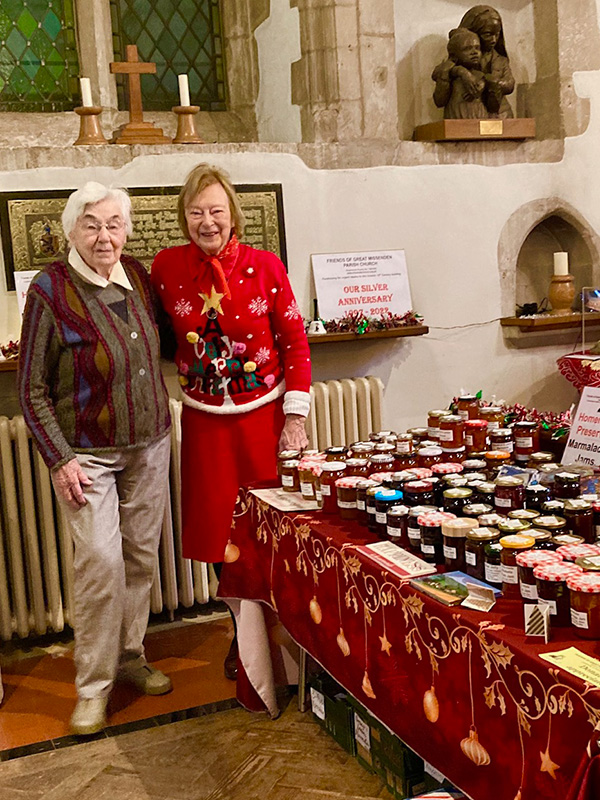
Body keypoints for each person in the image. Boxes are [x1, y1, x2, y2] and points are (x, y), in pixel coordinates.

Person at [18, 182, 173, 736]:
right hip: (86, 456)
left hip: (150, 443)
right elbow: (32, 389)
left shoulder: (136, 275)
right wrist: (59, 460)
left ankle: (130, 655)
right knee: (101, 565)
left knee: (139, 559)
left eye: (113, 224)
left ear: (126, 229)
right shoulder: (50, 290)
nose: (104, 236)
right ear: (71, 231)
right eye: (91, 225)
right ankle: (92, 687)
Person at [151, 163, 311, 678]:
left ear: (232, 214)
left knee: (273, 530)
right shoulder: (165, 268)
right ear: (184, 217)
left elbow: (295, 343)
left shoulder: (266, 266)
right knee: (222, 534)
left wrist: (295, 418)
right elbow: (155, 333)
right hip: (205, 426)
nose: (207, 221)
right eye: (196, 212)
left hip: (264, 420)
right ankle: (244, 637)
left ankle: (289, 636)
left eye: (216, 210)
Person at [459, 5, 515, 119]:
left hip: (501, 112)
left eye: (497, 34)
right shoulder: (463, 58)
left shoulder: (500, 59)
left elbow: (510, 84)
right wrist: (461, 72)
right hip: (470, 112)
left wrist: (489, 82)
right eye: (488, 34)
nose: (494, 40)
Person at [433, 28, 497, 119]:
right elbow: (439, 101)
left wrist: (488, 83)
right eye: (467, 49)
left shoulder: (481, 75)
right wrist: (458, 72)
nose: (474, 52)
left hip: (480, 118)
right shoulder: (450, 75)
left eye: (477, 48)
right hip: (456, 119)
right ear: (454, 55)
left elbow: (494, 106)